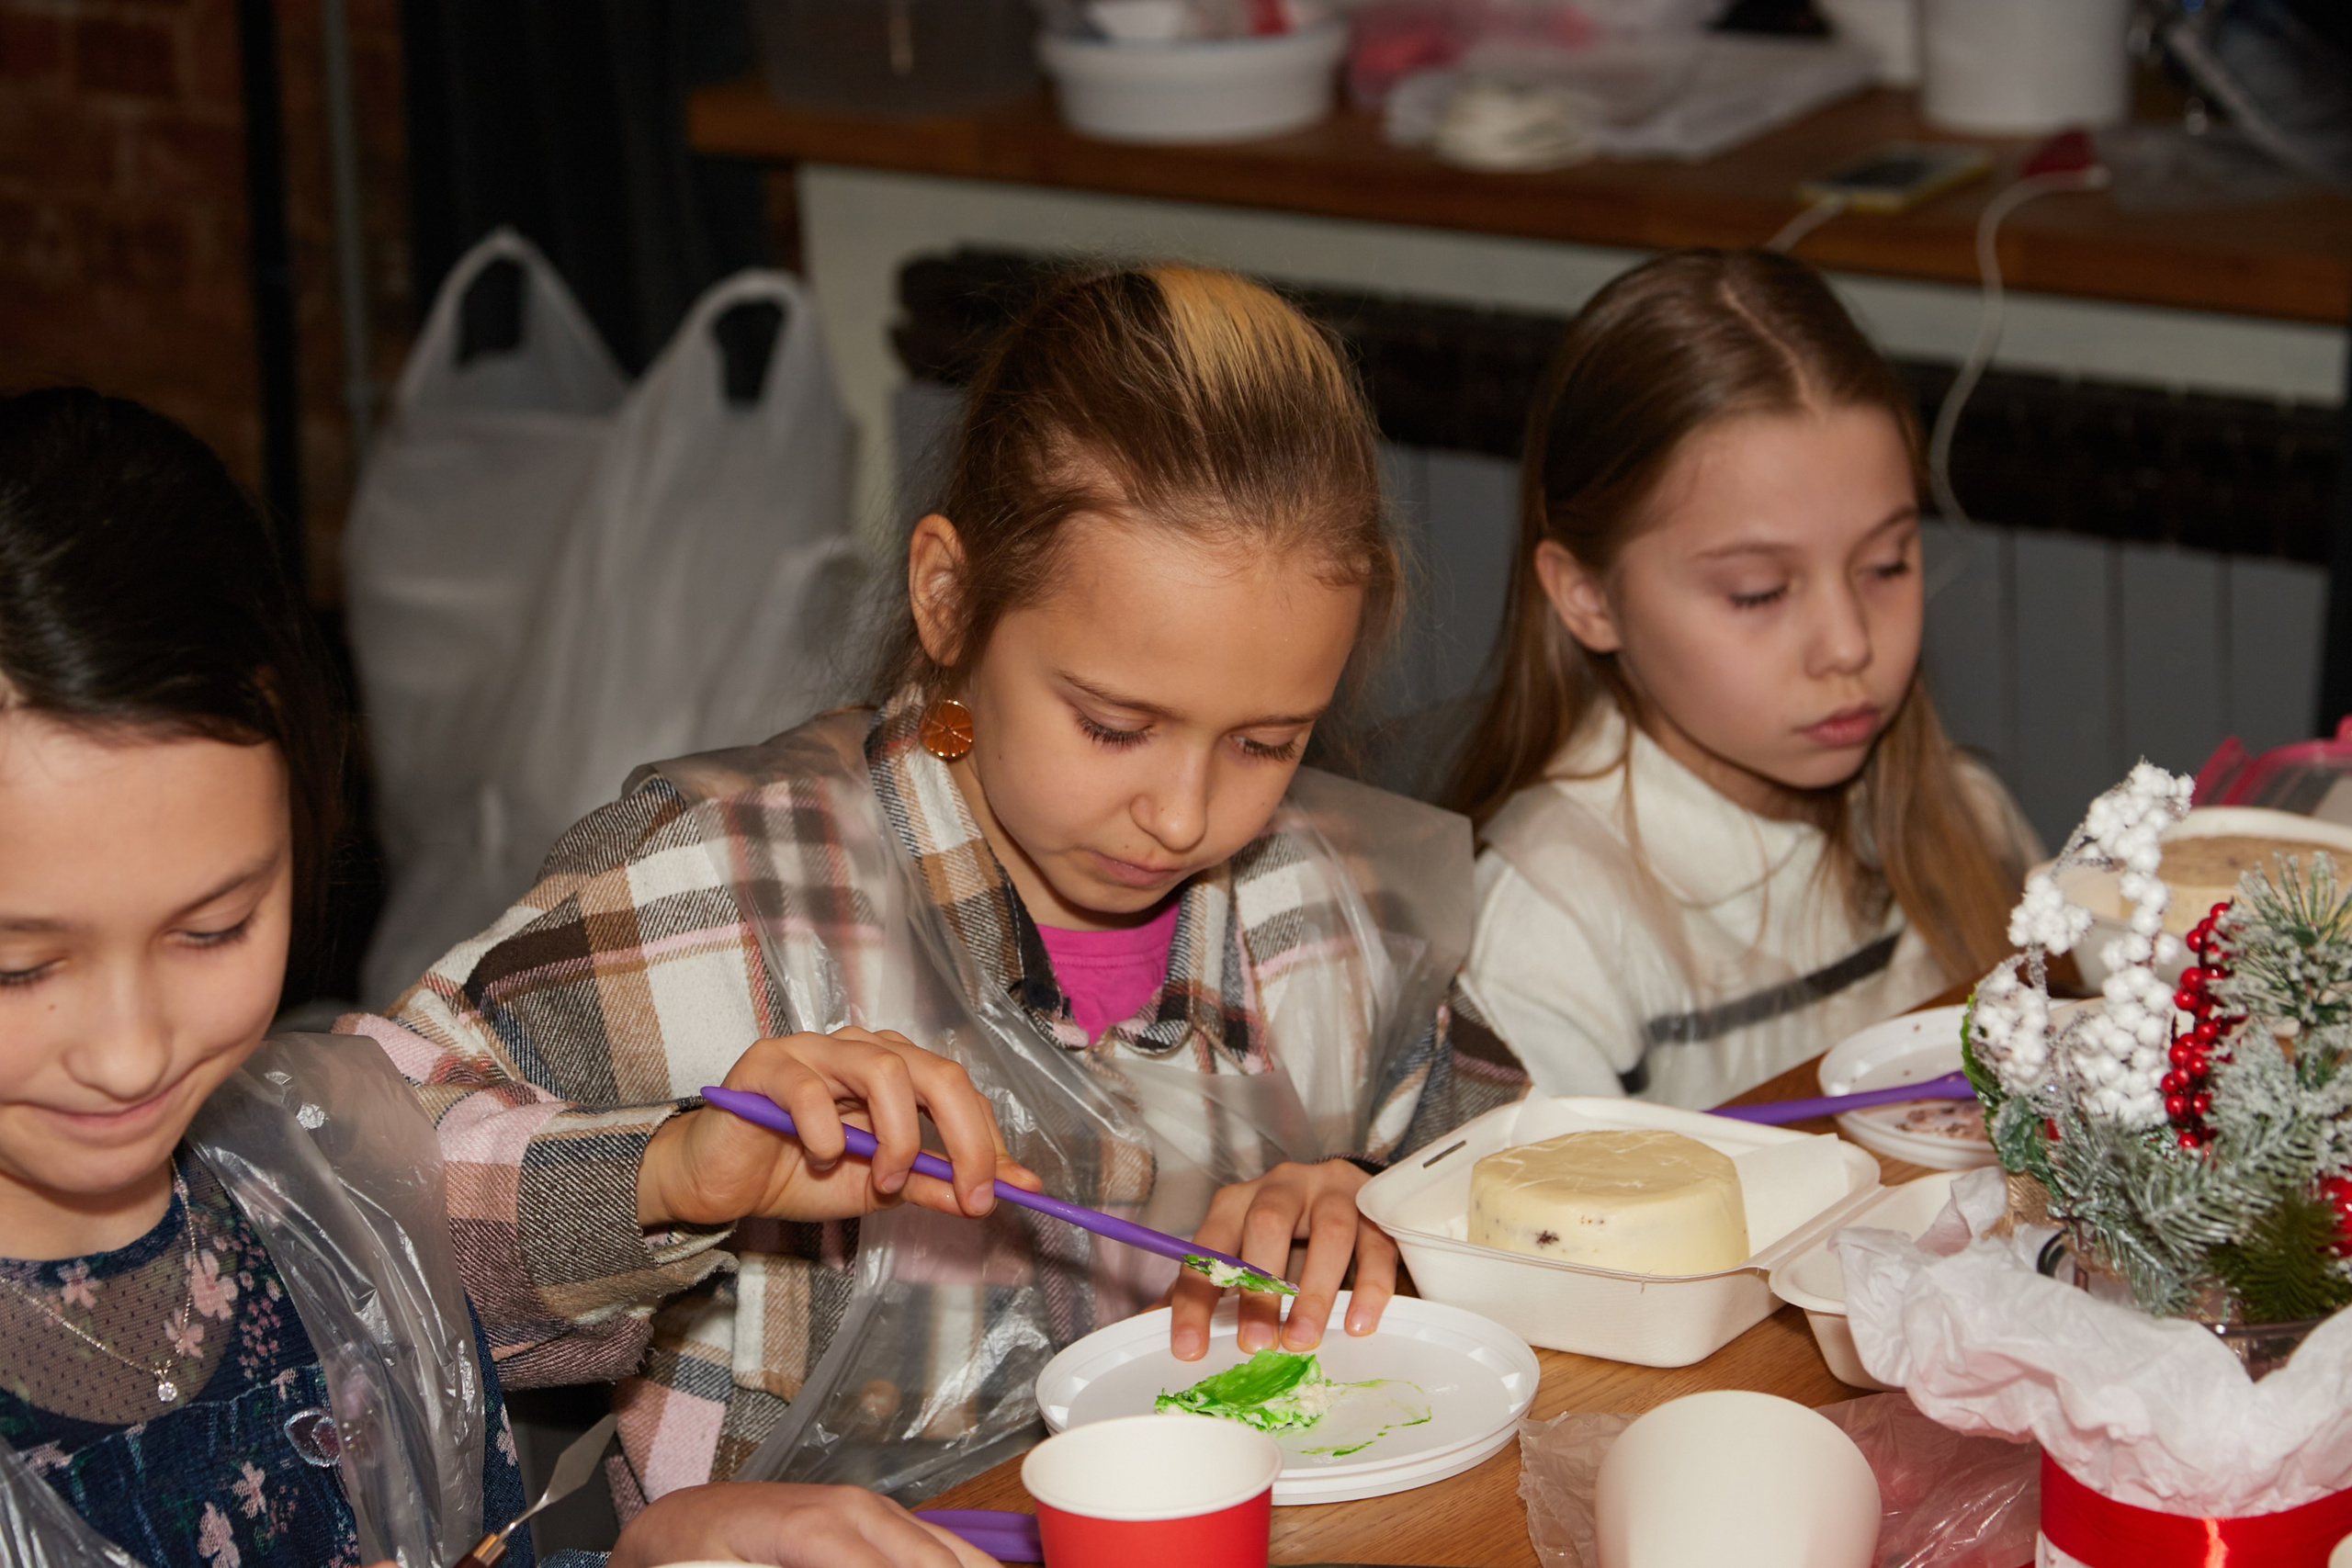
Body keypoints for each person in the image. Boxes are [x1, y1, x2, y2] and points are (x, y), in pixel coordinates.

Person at [373, 264, 1525, 1507]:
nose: (1187, 814)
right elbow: (345, 1209)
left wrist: (1386, 1216)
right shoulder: (719, 890)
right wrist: (668, 1171)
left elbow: (1520, 1185)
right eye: (1113, 724)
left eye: (1266, 741)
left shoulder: (1328, 915)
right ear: (949, 595)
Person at [0, 389, 997, 1568]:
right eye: (19, 965)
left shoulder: (311, 1186)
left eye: (214, 929)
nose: (128, 1048)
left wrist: (664, 1548)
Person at [1445, 249, 2037, 1110]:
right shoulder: (1548, 935)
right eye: (1757, 591)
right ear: (1588, 598)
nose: (1847, 644)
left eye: (1886, 564)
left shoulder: (1967, 817)